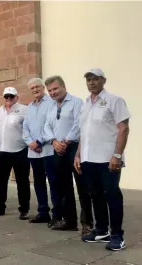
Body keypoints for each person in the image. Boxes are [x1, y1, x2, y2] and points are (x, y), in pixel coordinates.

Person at [75, 68, 131, 251]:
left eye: (95, 79)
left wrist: (117, 155)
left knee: (112, 195)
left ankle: (117, 235)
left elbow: (123, 128)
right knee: (95, 194)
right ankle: (101, 230)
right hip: (88, 159)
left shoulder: (114, 100)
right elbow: (84, 132)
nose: (91, 82)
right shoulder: (85, 104)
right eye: (88, 79)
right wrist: (78, 154)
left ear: (103, 80)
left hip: (108, 159)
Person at [44, 75, 93, 233]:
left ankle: (87, 222)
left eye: (55, 89)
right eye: (50, 90)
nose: (53, 92)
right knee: (64, 186)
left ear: (64, 86)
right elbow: (46, 126)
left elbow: (80, 124)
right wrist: (53, 141)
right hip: (58, 149)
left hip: (74, 148)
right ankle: (70, 221)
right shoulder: (51, 106)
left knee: (82, 186)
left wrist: (66, 141)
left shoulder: (76, 102)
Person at [0, 87, 30, 219]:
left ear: (16, 97)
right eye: (6, 97)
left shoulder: (24, 110)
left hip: (20, 150)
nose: (9, 99)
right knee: (0, 181)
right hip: (3, 151)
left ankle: (24, 209)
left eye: (11, 96)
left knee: (22, 181)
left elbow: (29, 128)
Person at [23, 78, 56, 224]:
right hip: (34, 151)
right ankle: (43, 211)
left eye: (37, 87)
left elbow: (51, 125)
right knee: (38, 182)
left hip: (48, 149)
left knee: (54, 182)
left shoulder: (51, 103)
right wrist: (30, 142)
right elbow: (25, 127)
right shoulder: (29, 106)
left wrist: (39, 141)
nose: (35, 90)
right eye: (32, 88)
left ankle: (57, 213)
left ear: (43, 88)